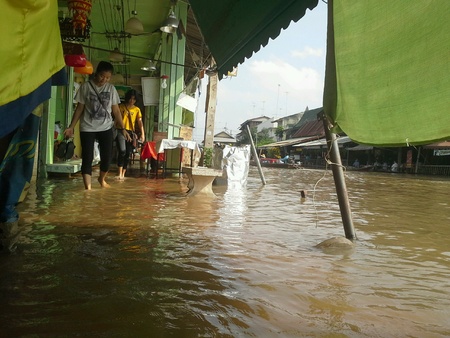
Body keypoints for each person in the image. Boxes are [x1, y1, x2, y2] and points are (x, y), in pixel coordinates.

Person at [64, 61, 130, 190]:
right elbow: (79, 109)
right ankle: (88, 189)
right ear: (96, 73)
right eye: (102, 76)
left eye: (107, 77)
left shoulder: (111, 89)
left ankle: (101, 179)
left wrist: (123, 129)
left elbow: (116, 111)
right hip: (87, 127)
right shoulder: (86, 87)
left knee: (107, 157)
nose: (104, 80)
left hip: (106, 127)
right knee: (87, 157)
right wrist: (71, 126)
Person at [116, 89, 145, 179]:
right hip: (120, 131)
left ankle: (123, 174)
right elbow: (116, 118)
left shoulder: (137, 110)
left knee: (128, 153)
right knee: (122, 151)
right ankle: (119, 173)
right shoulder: (120, 107)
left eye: (134, 99)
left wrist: (142, 134)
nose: (131, 101)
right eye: (130, 98)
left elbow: (140, 122)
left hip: (130, 133)